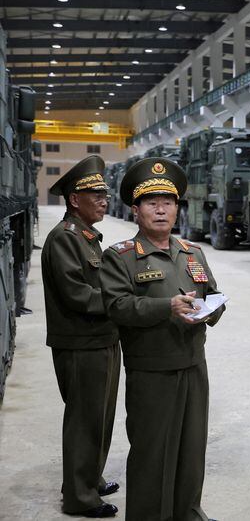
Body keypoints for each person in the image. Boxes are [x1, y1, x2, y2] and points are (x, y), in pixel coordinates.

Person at [99, 157, 225, 521]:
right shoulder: (121, 257)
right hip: (152, 370)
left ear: (176, 208)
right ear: (135, 210)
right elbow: (118, 306)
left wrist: (211, 309)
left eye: (168, 202)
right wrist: (166, 307)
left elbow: (213, 295)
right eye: (151, 203)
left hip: (193, 365)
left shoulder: (192, 253)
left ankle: (188, 512)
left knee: (192, 448)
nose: (160, 210)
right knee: (152, 452)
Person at [41, 155, 121, 518]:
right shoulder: (64, 238)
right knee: (84, 421)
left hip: (101, 338)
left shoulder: (88, 237)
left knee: (100, 417)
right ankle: (79, 497)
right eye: (96, 195)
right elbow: (78, 294)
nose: (104, 200)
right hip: (81, 343)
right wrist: (122, 303)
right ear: (75, 199)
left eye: (105, 194)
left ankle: (89, 478)